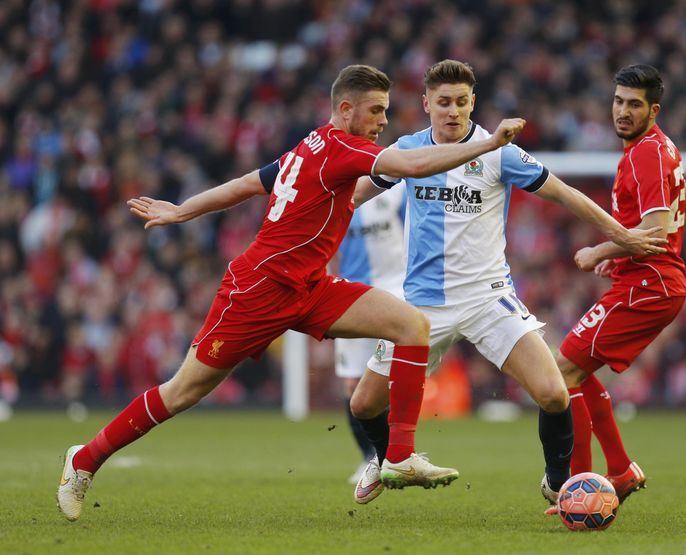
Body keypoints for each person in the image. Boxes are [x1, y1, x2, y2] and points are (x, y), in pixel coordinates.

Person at [56, 64, 530, 522]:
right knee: (182, 393)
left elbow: (247, 184)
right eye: (377, 111)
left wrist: (184, 211)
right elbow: (409, 165)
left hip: (308, 286)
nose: (384, 121)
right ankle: (85, 459)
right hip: (258, 291)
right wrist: (488, 144)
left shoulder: (310, 145)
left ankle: (399, 456)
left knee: (411, 325)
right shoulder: (343, 147)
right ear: (346, 110)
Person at [346, 60, 668, 508]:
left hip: (487, 298)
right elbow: (354, 194)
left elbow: (564, 193)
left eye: (461, 102)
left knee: (554, 393)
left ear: (472, 103)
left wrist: (620, 235)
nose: (453, 112)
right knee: (363, 405)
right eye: (443, 103)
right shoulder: (408, 151)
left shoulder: (499, 150)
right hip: (421, 306)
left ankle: (557, 484)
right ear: (426, 105)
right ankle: (387, 460)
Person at [553, 64, 686, 507]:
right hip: (649, 278)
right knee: (573, 369)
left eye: (634, 104)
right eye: (618, 101)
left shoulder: (646, 154)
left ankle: (579, 488)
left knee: (562, 372)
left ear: (653, 109)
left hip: (650, 283)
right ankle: (620, 470)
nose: (623, 111)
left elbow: (656, 228)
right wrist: (628, 252)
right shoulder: (660, 147)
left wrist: (602, 250)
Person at [333, 184, 406, 484]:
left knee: (393, 377)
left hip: (395, 289)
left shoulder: (396, 188)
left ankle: (400, 454)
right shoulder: (335, 194)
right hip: (350, 294)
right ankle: (370, 457)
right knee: (353, 384)